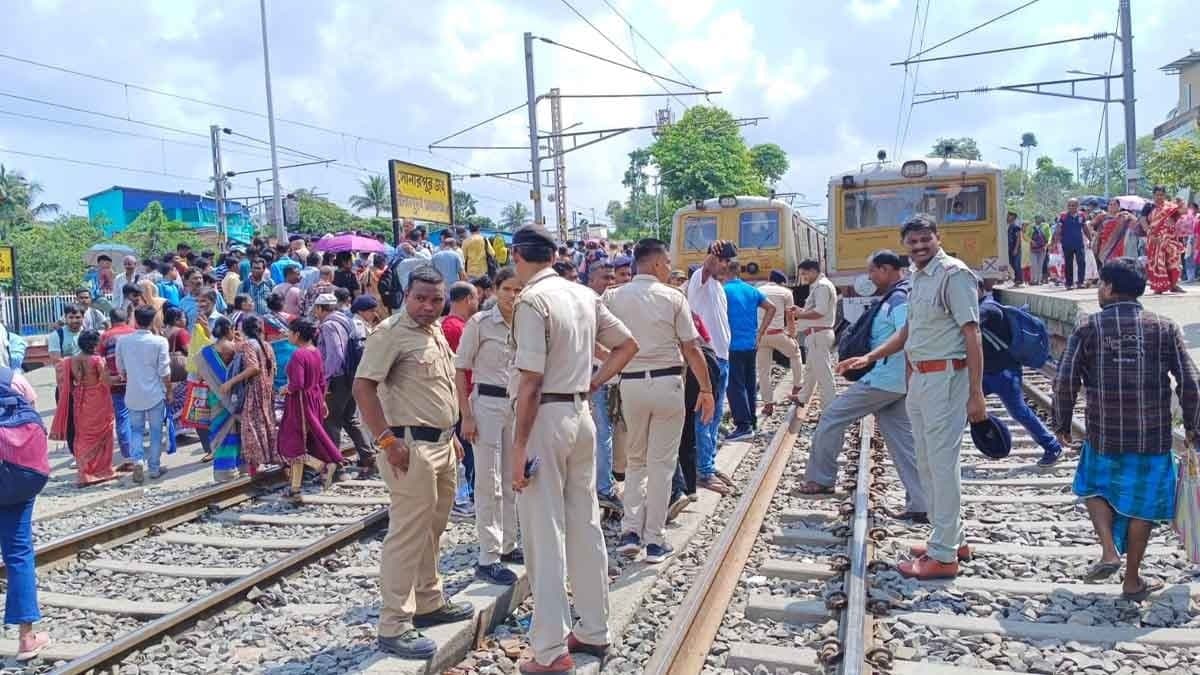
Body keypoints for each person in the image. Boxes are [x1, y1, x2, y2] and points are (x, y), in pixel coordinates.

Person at [506, 225, 638, 673]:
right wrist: (596, 382)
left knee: (544, 535)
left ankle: (549, 651)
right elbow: (627, 345)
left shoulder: (531, 300)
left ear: (518, 255)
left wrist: (518, 446)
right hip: (581, 413)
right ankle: (595, 630)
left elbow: (530, 381)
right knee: (585, 524)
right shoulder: (583, 294)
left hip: (544, 417)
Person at [838, 214, 986, 580]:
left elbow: (972, 333)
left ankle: (943, 556)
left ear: (937, 237)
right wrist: (872, 356)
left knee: (940, 463)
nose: (919, 246)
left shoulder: (954, 275)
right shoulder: (918, 277)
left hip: (946, 377)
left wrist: (976, 393)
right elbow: (909, 330)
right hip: (921, 379)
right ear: (905, 245)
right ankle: (950, 538)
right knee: (926, 460)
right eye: (913, 241)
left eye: (925, 239)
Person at [1055, 257, 1200, 599]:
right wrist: (1193, 425)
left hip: (1103, 434)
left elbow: (1065, 381)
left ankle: (1108, 549)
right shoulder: (1164, 327)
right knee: (1144, 505)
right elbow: (1190, 382)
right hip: (1152, 436)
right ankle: (1132, 579)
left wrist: (1062, 421)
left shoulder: (1088, 327)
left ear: (1107, 287)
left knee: (1092, 487)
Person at [353, 266, 473, 659]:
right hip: (409, 448)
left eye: (436, 300)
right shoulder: (390, 333)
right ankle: (394, 624)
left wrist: (450, 433)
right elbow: (363, 387)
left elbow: (434, 389)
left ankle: (428, 601)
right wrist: (386, 440)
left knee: (433, 527)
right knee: (407, 534)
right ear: (406, 295)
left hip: (440, 445)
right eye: (420, 298)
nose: (428, 306)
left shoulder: (434, 330)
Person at [605, 239, 714, 563]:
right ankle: (654, 540)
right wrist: (706, 390)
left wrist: (610, 373)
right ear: (655, 264)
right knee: (662, 464)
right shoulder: (672, 298)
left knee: (635, 461)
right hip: (667, 383)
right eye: (667, 262)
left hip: (631, 386)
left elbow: (601, 343)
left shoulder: (611, 298)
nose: (669, 267)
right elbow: (692, 349)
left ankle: (629, 532)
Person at [801, 251, 927, 520]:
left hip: (886, 378)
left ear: (886, 269)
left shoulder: (900, 298)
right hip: (894, 381)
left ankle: (820, 479)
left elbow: (907, 335)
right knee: (902, 441)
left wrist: (870, 358)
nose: (870, 277)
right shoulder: (897, 295)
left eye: (872, 271)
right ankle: (922, 503)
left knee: (832, 416)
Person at [455, 267, 525, 585]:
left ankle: (508, 544)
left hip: (515, 405)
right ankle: (488, 556)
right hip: (486, 405)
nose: (513, 295)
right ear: (495, 290)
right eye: (508, 289)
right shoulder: (480, 324)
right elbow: (461, 370)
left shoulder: (528, 324)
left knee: (513, 480)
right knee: (488, 481)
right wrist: (466, 415)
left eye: (519, 290)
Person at [976, 281, 1063, 466]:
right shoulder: (978, 308)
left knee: (1018, 412)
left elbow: (967, 325)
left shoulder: (988, 309)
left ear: (981, 289)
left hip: (1004, 373)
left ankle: (1052, 446)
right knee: (962, 408)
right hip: (985, 374)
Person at [0, 362, 52, 661]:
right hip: (18, 467)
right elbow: (32, 401)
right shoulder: (10, 376)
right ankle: (27, 639)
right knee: (18, 552)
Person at [686, 242, 735, 496]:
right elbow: (706, 269)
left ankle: (709, 465)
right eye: (722, 260)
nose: (725, 264)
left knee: (715, 417)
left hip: (722, 358)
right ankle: (703, 472)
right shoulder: (699, 282)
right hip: (709, 360)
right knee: (705, 417)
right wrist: (711, 257)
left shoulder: (719, 288)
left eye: (728, 261)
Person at [278, 317, 344, 494]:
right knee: (302, 442)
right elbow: (322, 380)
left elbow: (297, 383)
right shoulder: (315, 351)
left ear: (297, 334)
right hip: (314, 399)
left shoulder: (299, 354)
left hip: (299, 403)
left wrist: (285, 389)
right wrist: (322, 401)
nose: (288, 335)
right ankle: (295, 487)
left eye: (290, 332)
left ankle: (322, 466)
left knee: (292, 443)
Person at [313, 293, 374, 474]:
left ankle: (335, 464)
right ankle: (367, 455)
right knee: (349, 418)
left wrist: (325, 378)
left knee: (331, 421)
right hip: (352, 376)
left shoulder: (329, 325)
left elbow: (336, 355)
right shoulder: (347, 320)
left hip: (337, 379)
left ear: (320, 308)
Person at [52, 330, 117, 487]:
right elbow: (106, 380)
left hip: (80, 399)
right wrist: (121, 378)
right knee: (103, 432)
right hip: (98, 399)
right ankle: (101, 470)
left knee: (83, 435)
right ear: (95, 344)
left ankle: (84, 472)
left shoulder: (71, 360)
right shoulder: (97, 360)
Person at [116, 306, 171, 483]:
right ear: (153, 320)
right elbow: (165, 372)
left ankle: (138, 460)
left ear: (135, 320)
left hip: (133, 393)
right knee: (156, 432)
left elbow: (121, 369)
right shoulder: (160, 342)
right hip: (155, 393)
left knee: (136, 430)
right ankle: (154, 468)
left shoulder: (123, 341)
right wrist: (168, 390)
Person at [585, 260, 622, 512]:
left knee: (605, 432)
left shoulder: (612, 301)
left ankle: (604, 482)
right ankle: (603, 488)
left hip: (606, 375)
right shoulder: (587, 302)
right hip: (593, 376)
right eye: (604, 278)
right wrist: (615, 359)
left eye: (612, 277)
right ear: (590, 280)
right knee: (601, 432)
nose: (610, 282)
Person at [723, 262, 775, 440]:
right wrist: (760, 332)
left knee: (734, 386)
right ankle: (751, 421)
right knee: (749, 384)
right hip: (751, 344)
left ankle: (743, 426)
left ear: (725, 271)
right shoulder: (751, 290)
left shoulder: (724, 290)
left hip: (732, 345)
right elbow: (771, 308)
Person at [195, 317, 249, 482]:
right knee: (238, 432)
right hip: (236, 396)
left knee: (220, 431)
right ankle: (242, 467)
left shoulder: (204, 353)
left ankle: (224, 473)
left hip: (216, 397)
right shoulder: (236, 349)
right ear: (228, 330)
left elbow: (200, 375)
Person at [442, 281, 480, 518]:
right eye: (475, 297)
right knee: (467, 452)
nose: (478, 301)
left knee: (466, 451)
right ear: (467, 299)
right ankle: (464, 499)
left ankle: (465, 497)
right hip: (462, 397)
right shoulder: (457, 328)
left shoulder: (451, 325)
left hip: (460, 396)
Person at [233, 316, 281, 475]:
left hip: (254, 390)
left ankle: (257, 463)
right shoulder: (267, 345)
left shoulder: (249, 345)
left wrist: (231, 382)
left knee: (251, 425)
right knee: (267, 422)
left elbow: (253, 368)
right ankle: (271, 456)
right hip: (267, 389)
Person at [793, 259, 839, 415]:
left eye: (805, 274)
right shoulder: (820, 286)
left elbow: (820, 311)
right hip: (816, 334)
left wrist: (800, 314)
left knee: (824, 373)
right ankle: (802, 397)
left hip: (818, 334)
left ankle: (830, 408)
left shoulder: (822, 286)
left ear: (813, 271)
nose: (804, 277)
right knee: (811, 370)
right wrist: (801, 311)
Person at [755, 270, 801, 417]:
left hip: (760, 336)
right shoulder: (786, 292)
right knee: (796, 354)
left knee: (763, 371)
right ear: (782, 282)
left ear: (769, 279)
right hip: (778, 334)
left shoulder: (757, 290)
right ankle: (797, 387)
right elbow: (790, 317)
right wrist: (792, 335)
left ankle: (768, 405)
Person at [99, 308, 136, 470]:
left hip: (116, 383)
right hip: (136, 381)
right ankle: (140, 455)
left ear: (111, 319)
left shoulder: (106, 336)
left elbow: (100, 359)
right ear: (127, 318)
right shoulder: (134, 333)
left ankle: (129, 457)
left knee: (122, 418)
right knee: (138, 418)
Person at [48, 304, 84, 455]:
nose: (75, 320)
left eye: (78, 317)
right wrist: (79, 362)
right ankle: (76, 454)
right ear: (65, 318)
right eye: (71, 317)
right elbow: (56, 360)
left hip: (86, 386)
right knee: (71, 423)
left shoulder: (88, 334)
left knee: (86, 421)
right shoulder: (57, 336)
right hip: (66, 388)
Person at [1143, 187, 1185, 294]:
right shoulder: (1149, 206)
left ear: (1165, 195)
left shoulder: (1170, 207)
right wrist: (1151, 234)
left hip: (1169, 238)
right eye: (1157, 194)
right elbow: (1143, 221)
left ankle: (1174, 285)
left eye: (1161, 195)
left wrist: (1181, 204)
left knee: (1174, 258)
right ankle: (1159, 287)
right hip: (1154, 239)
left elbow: (1180, 213)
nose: (1159, 197)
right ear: (1153, 195)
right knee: (1157, 262)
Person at [1055, 198, 1092, 291]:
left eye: (1073, 205)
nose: (1071, 207)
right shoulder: (1063, 216)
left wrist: (1090, 239)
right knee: (1068, 264)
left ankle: (1080, 282)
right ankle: (1069, 283)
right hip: (1067, 243)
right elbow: (1058, 229)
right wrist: (1056, 240)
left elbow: (1085, 228)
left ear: (1077, 206)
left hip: (1079, 243)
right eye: (1069, 205)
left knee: (1081, 262)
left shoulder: (1081, 216)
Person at [1028, 215, 1051, 285]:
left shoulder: (1046, 226)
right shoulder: (1031, 226)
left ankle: (1038, 280)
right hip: (1033, 248)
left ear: (1041, 219)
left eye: (1039, 218)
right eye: (1036, 218)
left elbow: (1049, 236)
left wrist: (1047, 245)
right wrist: (1031, 241)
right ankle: (1033, 279)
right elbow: (1026, 235)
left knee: (1040, 264)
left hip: (1042, 248)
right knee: (1034, 264)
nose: (1038, 219)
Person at [1006, 211, 1023, 286]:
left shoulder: (1016, 227)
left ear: (1012, 217)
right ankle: (1016, 279)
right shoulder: (1009, 227)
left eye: (1008, 216)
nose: (1007, 217)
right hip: (1010, 249)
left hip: (1016, 249)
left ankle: (1019, 280)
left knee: (1016, 264)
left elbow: (1018, 238)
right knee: (1012, 263)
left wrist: (1016, 248)